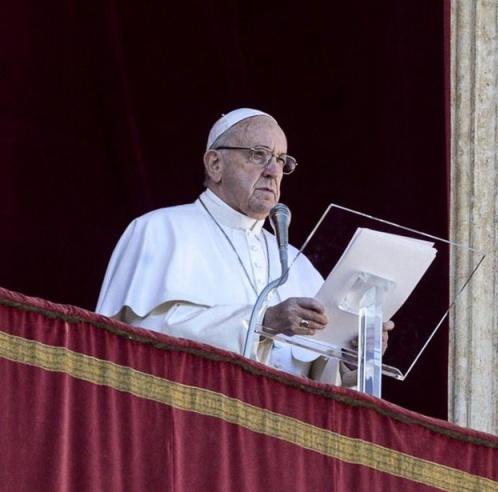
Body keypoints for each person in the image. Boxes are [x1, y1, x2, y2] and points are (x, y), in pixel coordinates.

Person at [96, 108, 389, 384]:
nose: (273, 171)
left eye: (282, 160)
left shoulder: (298, 265)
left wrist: (349, 357)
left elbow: (314, 376)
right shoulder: (160, 230)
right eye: (259, 155)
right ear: (215, 164)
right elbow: (139, 339)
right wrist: (263, 321)